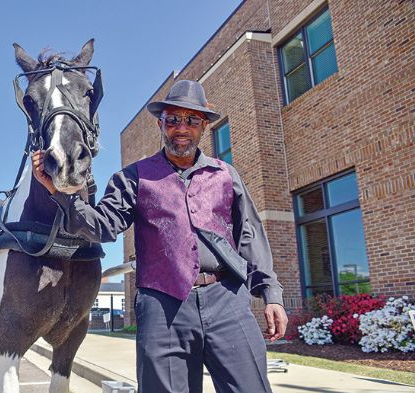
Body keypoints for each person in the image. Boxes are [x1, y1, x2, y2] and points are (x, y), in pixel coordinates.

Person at [32, 79, 288, 393]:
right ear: (161, 124)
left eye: (192, 120)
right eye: (173, 120)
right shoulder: (132, 177)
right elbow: (101, 226)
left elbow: (250, 236)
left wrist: (270, 294)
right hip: (162, 306)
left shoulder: (225, 175)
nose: (182, 127)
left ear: (204, 126)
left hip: (227, 301)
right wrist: (60, 193)